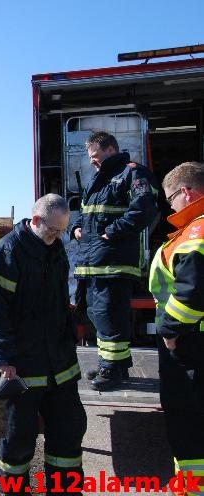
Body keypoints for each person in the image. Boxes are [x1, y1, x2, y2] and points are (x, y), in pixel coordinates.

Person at [0, 194, 85, 493]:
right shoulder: (7, 253)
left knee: (68, 435)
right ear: (35, 220)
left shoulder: (55, 251)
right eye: (52, 230)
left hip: (60, 369)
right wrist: (4, 360)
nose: (57, 237)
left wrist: (70, 337)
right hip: (21, 371)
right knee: (17, 444)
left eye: (62, 231)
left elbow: (61, 303)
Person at [71, 131, 158, 391]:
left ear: (110, 149)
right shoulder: (98, 179)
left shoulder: (133, 173)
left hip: (113, 263)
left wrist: (113, 231)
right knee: (98, 315)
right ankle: (113, 363)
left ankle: (112, 371)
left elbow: (144, 209)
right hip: (94, 262)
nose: (92, 162)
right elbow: (86, 214)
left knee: (109, 315)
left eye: (95, 157)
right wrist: (75, 227)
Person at [148, 162, 204, 486]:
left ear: (185, 192)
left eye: (171, 200)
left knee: (188, 424)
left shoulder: (197, 230)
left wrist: (170, 331)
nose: (170, 208)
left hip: (190, 346)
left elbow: (193, 291)